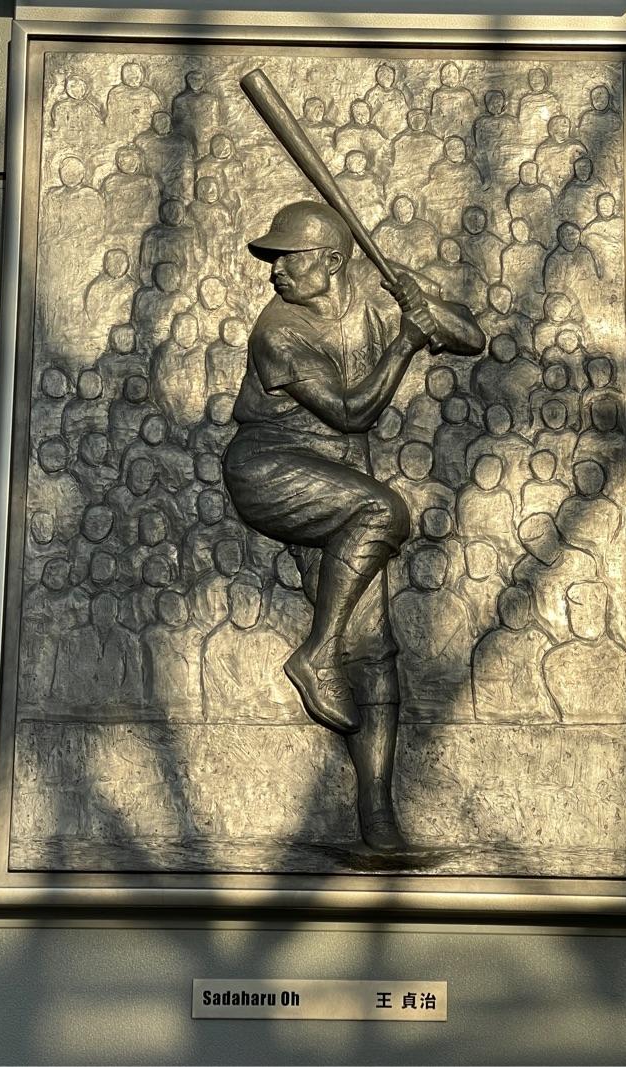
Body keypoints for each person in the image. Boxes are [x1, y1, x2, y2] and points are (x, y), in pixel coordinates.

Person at [223, 199, 484, 850]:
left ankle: (376, 808)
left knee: (374, 651)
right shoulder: (276, 331)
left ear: (332, 262)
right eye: (274, 259)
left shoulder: (371, 297)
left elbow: (471, 338)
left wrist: (420, 300)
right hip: (272, 467)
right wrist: (406, 341)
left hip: (340, 483)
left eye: (290, 257)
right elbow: (350, 412)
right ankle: (316, 652)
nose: (276, 270)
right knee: (383, 509)